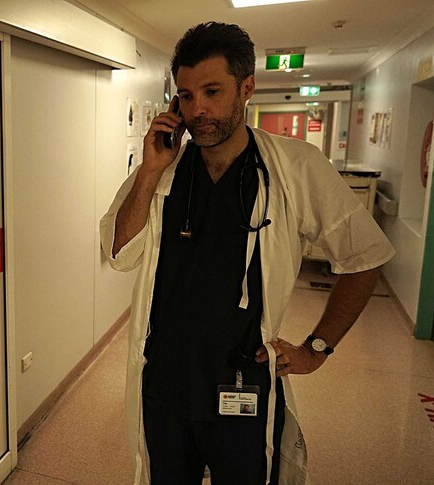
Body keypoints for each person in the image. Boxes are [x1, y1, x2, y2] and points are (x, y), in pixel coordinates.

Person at [99, 22, 394, 485]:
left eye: (212, 91)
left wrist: (317, 347)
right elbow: (119, 254)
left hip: (242, 384)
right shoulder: (163, 173)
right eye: (187, 95)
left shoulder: (295, 167)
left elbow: (366, 256)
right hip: (164, 383)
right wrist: (150, 170)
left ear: (247, 88)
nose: (199, 110)